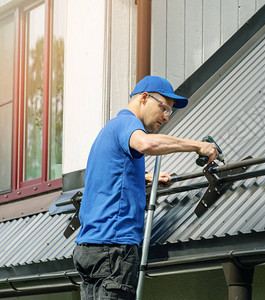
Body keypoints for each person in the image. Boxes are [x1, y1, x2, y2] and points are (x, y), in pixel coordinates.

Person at [73, 75, 218, 299]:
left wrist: (144, 177)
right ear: (143, 97)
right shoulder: (128, 123)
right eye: (164, 108)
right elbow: (147, 144)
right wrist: (198, 146)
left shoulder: (108, 131)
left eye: (169, 111)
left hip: (89, 248)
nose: (166, 117)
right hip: (113, 248)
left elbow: (108, 177)